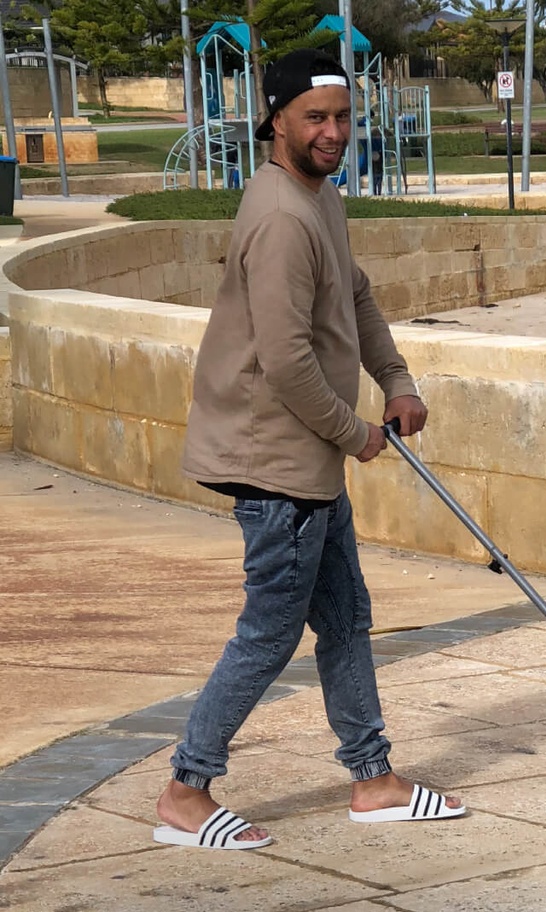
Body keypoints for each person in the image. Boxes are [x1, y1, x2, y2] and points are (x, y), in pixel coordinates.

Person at [153, 48, 464, 851]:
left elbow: (353, 293)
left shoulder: (318, 196)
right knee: (269, 632)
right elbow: (287, 359)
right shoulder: (282, 217)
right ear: (277, 119)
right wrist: (354, 432)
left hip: (305, 463)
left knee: (348, 617)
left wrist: (394, 378)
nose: (333, 132)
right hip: (275, 463)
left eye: (342, 116)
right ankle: (187, 792)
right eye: (316, 117)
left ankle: (374, 780)